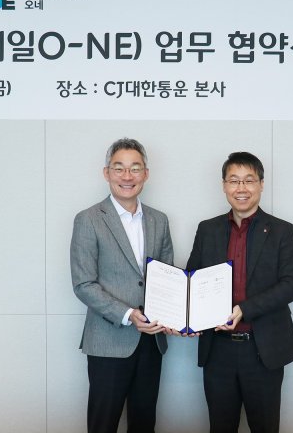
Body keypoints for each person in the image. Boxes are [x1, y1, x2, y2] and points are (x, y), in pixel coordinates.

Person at [186, 151, 293, 433]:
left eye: (249, 180)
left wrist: (244, 310)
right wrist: (185, 316)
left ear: (261, 184)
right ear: (224, 185)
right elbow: (192, 281)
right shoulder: (207, 229)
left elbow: (291, 285)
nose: (241, 188)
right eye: (234, 180)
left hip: (262, 350)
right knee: (220, 427)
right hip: (218, 350)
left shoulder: (282, 231)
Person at [70, 138, 174, 433]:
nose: (127, 176)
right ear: (107, 173)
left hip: (151, 342)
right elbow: (83, 283)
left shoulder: (159, 220)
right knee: (103, 424)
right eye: (119, 168)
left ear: (146, 174)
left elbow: (167, 277)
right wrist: (129, 315)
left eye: (135, 168)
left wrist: (175, 314)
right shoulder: (88, 220)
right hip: (108, 341)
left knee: (144, 423)